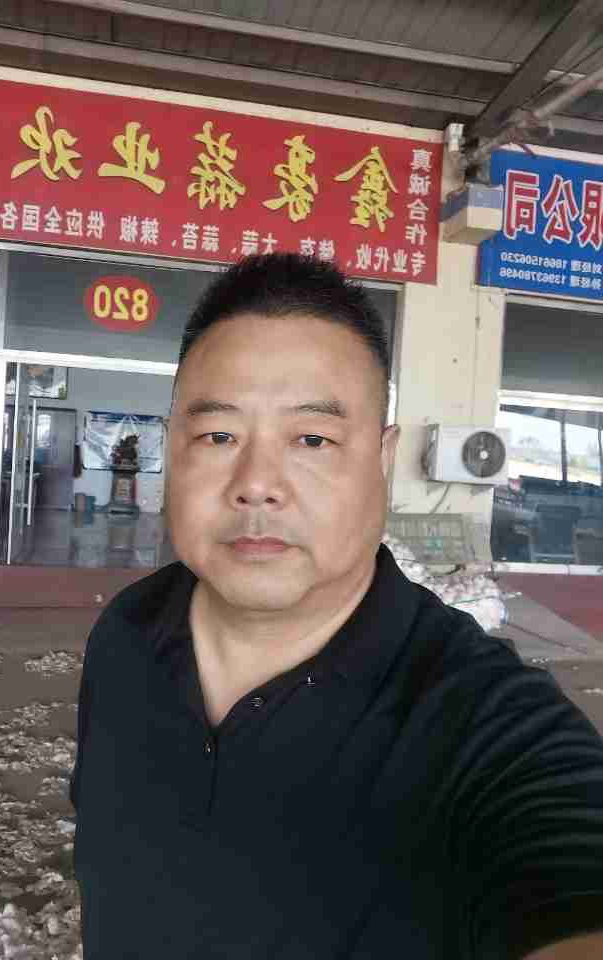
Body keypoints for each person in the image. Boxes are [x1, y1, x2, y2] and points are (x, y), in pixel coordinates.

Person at [70, 253, 603, 959]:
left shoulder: (485, 727)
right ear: (173, 448)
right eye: (219, 435)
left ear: (382, 460)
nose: (257, 483)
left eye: (312, 439)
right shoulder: (126, 631)